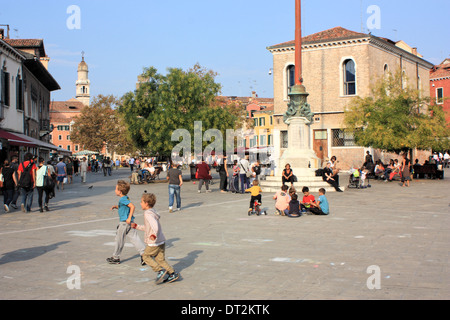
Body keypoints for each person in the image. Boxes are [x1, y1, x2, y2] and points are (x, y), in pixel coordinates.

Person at [131, 192, 180, 284]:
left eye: (141, 202)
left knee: (145, 257)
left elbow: (155, 226)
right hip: (161, 241)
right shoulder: (153, 212)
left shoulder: (147, 213)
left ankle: (160, 271)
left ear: (146, 203)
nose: (140, 203)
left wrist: (154, 235)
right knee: (160, 259)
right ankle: (172, 274)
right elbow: (148, 227)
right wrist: (137, 226)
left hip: (154, 242)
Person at [106, 180, 146, 265]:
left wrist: (129, 218)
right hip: (129, 222)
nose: (115, 190)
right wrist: (116, 207)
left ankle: (116, 257)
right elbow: (125, 207)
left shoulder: (122, 199)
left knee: (119, 240)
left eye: (116, 189)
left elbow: (132, 207)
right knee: (135, 238)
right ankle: (144, 255)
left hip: (124, 222)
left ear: (120, 191)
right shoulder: (125, 198)